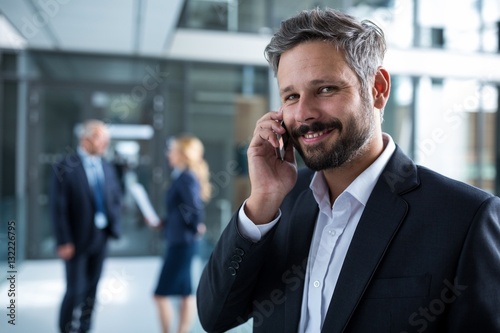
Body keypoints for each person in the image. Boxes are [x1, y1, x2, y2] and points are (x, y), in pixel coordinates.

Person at [196, 8, 500, 333]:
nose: (304, 113)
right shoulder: (277, 205)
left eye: (325, 89)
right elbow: (216, 316)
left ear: (378, 88)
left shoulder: (464, 217)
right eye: (291, 96)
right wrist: (263, 199)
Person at [50, 119, 122, 333]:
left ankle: (85, 328)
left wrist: (113, 223)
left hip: (101, 237)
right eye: (101, 139)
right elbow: (58, 207)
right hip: (75, 239)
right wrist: (63, 240)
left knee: (92, 290)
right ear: (86, 139)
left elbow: (115, 196)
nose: (106, 144)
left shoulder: (107, 166)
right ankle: (65, 328)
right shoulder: (64, 166)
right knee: (75, 290)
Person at [152, 134, 212, 333]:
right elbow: (181, 210)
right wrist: (164, 223)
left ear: (182, 154)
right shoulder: (181, 175)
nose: (168, 154)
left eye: (172, 150)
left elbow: (193, 208)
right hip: (182, 239)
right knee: (185, 291)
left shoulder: (186, 177)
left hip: (182, 242)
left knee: (160, 294)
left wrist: (196, 227)